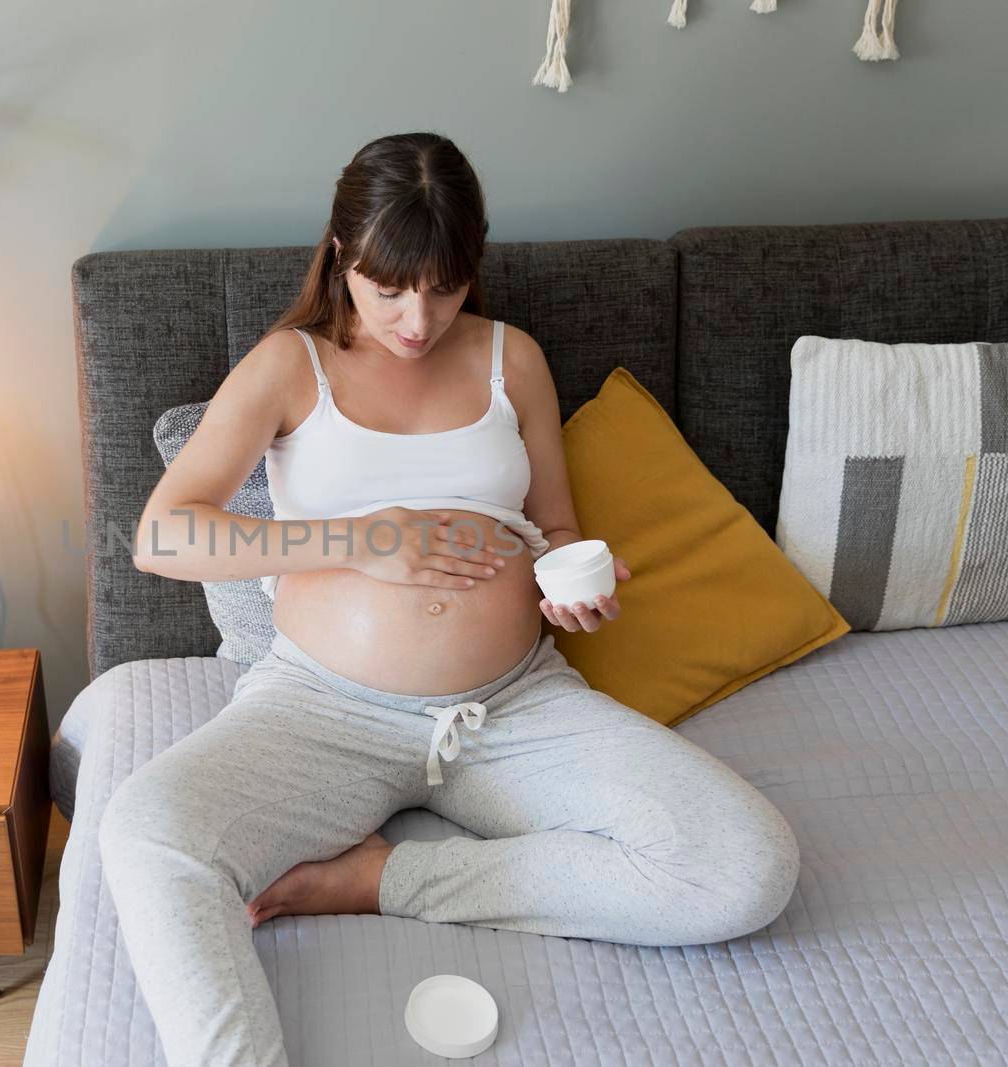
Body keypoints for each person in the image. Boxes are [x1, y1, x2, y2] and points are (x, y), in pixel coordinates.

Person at [106, 131, 800, 1067]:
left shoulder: (515, 361)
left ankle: (387, 879)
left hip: (513, 708)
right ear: (343, 256)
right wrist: (361, 540)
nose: (417, 319)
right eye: (389, 287)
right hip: (322, 710)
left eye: (444, 286)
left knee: (747, 864)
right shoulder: (288, 365)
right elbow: (163, 534)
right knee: (146, 829)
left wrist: (571, 587)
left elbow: (554, 527)